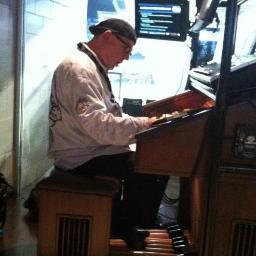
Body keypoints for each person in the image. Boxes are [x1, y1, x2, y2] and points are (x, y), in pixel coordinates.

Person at [48, 18, 169, 249]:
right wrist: (145, 124)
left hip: (90, 148)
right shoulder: (79, 69)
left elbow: (102, 121)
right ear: (107, 36)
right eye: (126, 49)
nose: (126, 57)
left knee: (152, 163)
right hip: (81, 157)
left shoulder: (89, 65)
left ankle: (128, 223)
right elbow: (100, 127)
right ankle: (131, 228)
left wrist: (142, 126)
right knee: (152, 168)